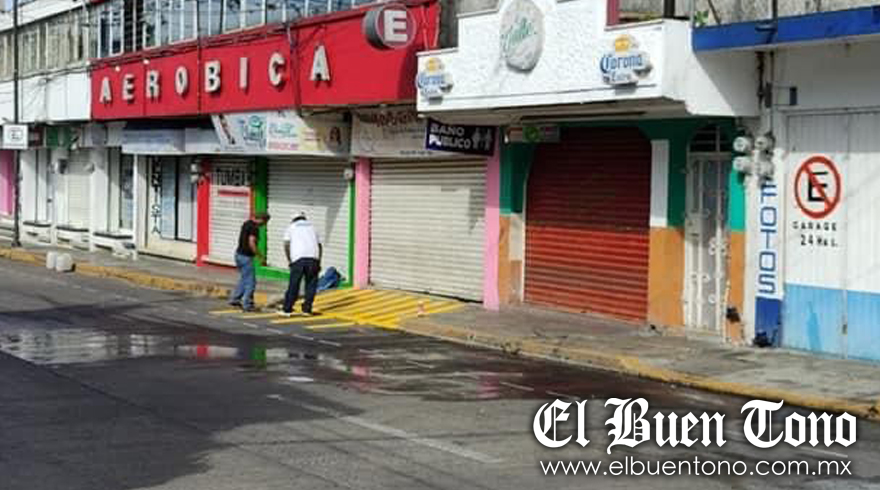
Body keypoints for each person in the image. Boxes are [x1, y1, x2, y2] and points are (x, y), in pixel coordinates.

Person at [280, 212, 322, 317]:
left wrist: (289, 260)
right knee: (311, 285)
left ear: (293, 219)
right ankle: (307, 310)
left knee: (294, 284)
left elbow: (286, 244)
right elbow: (319, 245)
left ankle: (287, 309)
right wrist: (318, 261)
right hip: (313, 258)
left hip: (298, 259)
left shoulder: (291, 227)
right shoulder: (313, 227)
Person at [229, 212, 270, 312]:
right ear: (262, 219)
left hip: (238, 254)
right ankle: (247, 303)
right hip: (246, 257)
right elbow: (251, 243)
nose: (264, 225)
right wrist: (260, 257)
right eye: (265, 222)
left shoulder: (246, 223)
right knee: (251, 282)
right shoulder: (254, 228)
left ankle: (235, 299)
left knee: (244, 278)